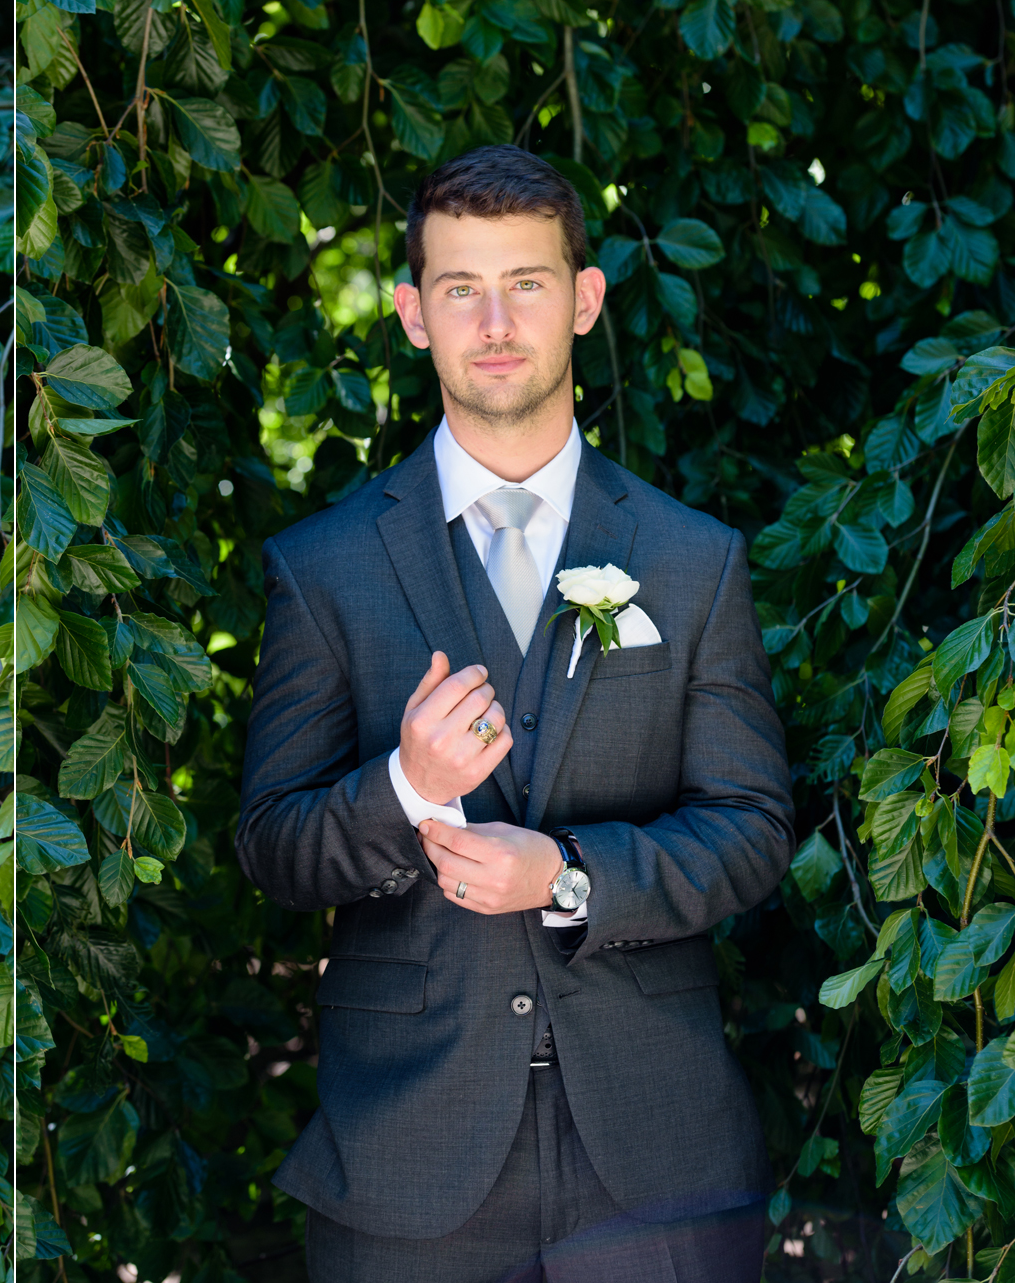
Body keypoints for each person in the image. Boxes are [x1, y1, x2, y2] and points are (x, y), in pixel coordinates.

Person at [236, 144, 794, 1282]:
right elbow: (271, 848)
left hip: (654, 1158)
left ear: (582, 300)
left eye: (525, 283)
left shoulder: (691, 562)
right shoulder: (323, 568)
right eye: (458, 288)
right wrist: (405, 788)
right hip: (406, 1161)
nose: (494, 320)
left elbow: (748, 828)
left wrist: (568, 875)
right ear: (410, 315)